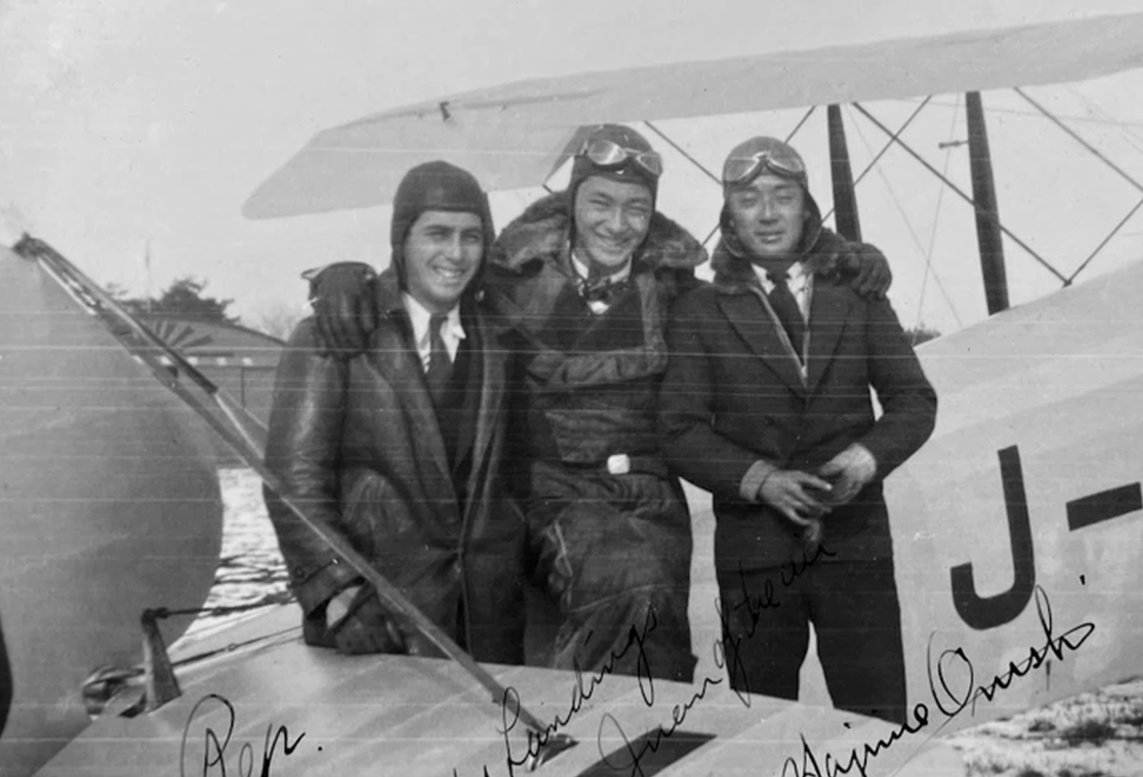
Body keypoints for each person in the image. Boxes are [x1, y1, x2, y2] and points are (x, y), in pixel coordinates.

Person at [304, 126, 895, 686]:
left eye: (636, 209)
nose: (617, 225)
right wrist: (349, 280)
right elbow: (431, 273)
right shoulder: (510, 279)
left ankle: (643, 746)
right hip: (551, 493)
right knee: (628, 587)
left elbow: (756, 276)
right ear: (571, 204)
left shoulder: (675, 289)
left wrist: (844, 254)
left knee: (654, 607)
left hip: (647, 497)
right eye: (600, 204)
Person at [659, 136, 937, 727]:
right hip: (755, 554)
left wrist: (864, 461)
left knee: (878, 723)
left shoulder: (855, 293)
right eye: (749, 198)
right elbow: (679, 429)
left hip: (854, 544)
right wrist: (761, 481)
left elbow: (914, 400)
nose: (766, 214)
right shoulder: (700, 311)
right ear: (728, 213)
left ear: (806, 206)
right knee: (763, 732)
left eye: (782, 196)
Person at [264, 160, 528, 664]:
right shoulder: (331, 333)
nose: (455, 253)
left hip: (490, 624)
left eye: (472, 237)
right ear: (400, 240)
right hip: (375, 621)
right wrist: (340, 593)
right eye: (437, 234)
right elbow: (292, 481)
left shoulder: (500, 339)